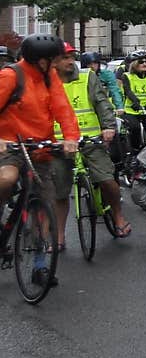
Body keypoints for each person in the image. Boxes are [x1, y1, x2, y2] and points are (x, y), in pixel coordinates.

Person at [0, 34, 79, 287]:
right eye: (53, 59)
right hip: (10, 144)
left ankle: (39, 266)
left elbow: (63, 109)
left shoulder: (49, 77)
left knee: (43, 204)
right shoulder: (11, 76)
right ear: (40, 61)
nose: (58, 64)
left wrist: (70, 138)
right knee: (7, 178)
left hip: (39, 148)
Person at [52, 42, 131, 244]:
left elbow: (103, 104)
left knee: (106, 179)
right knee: (59, 191)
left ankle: (118, 215)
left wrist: (108, 127)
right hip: (59, 144)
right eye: (65, 58)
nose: (70, 61)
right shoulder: (46, 81)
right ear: (53, 61)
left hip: (91, 140)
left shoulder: (87, 77)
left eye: (72, 57)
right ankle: (59, 235)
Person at [119, 49, 146, 155]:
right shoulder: (127, 76)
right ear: (134, 64)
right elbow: (128, 91)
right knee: (135, 128)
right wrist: (135, 102)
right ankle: (135, 152)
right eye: (141, 62)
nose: (144, 64)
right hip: (132, 111)